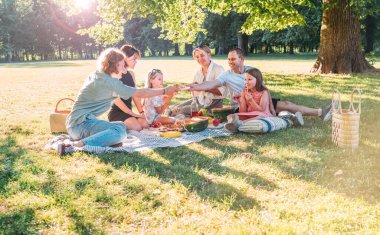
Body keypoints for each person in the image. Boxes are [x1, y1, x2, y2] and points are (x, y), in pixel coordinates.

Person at [58, 48, 180, 155]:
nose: (123, 70)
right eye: (122, 65)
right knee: (119, 132)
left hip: (77, 124)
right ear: (114, 65)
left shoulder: (98, 75)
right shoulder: (110, 83)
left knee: (120, 125)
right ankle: (75, 146)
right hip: (80, 125)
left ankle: (99, 140)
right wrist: (165, 90)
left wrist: (136, 113)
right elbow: (140, 93)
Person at [188, 48, 332, 121]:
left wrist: (267, 101)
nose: (230, 62)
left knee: (285, 104)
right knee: (270, 113)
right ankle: (289, 118)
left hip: (259, 100)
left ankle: (320, 112)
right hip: (242, 106)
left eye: (233, 59)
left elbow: (262, 89)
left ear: (241, 59)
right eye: (228, 59)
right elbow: (211, 84)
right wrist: (194, 87)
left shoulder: (252, 71)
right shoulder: (226, 75)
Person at [224, 68, 303, 132]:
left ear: (257, 80)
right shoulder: (245, 91)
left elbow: (261, 109)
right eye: (245, 79)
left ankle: (240, 124)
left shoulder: (263, 92)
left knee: (260, 115)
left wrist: (251, 100)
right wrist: (240, 102)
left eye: (249, 79)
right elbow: (243, 111)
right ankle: (236, 124)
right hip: (250, 114)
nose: (246, 82)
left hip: (263, 114)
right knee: (233, 115)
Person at [170, 45, 225, 116]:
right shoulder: (199, 72)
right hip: (199, 100)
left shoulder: (218, 69)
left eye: (202, 55)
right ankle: (166, 118)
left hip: (212, 104)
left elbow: (222, 92)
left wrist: (201, 87)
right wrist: (188, 87)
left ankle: (168, 119)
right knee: (175, 107)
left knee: (179, 111)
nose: (200, 59)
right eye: (197, 57)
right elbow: (196, 86)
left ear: (209, 54)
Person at [108, 44, 149, 131]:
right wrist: (133, 114)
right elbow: (116, 99)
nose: (136, 61)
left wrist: (141, 112)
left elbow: (136, 95)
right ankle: (115, 127)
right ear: (125, 58)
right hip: (117, 113)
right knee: (137, 127)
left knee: (145, 124)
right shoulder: (115, 74)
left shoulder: (131, 74)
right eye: (134, 59)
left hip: (129, 112)